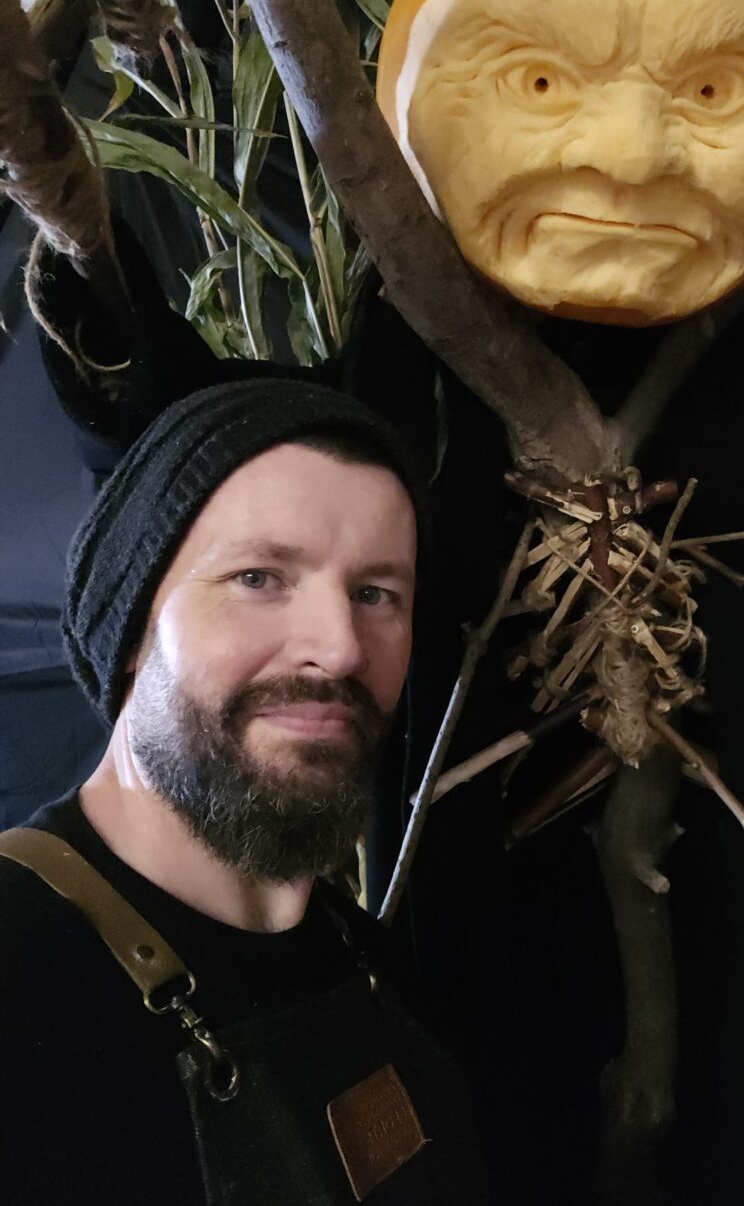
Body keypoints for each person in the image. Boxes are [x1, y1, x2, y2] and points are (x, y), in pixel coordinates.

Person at [0, 378, 486, 1206]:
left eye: (376, 594)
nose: (338, 648)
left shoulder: (364, 956)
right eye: (259, 577)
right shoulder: (20, 972)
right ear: (132, 626)